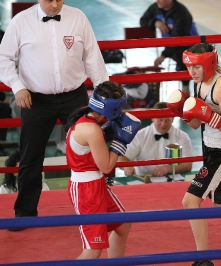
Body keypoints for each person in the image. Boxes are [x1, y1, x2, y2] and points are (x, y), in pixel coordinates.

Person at [0, 0, 109, 224]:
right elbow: (3, 58)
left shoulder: (78, 17)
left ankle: (97, 207)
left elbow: (92, 56)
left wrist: (105, 93)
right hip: (35, 99)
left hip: (74, 96)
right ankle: (25, 214)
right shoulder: (21, 21)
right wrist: (17, 86)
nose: (55, 4)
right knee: (30, 157)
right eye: (50, 0)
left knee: (89, 151)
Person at [167, 42, 221, 266]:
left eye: (196, 67)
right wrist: (184, 112)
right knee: (220, 199)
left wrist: (208, 115)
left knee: (190, 201)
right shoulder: (199, 82)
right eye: (189, 67)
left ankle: (202, 259)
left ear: (209, 64)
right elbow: (196, 125)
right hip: (209, 145)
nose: (191, 72)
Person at [65, 81, 140, 259]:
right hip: (87, 191)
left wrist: (110, 131)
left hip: (95, 184)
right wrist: (121, 141)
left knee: (123, 226)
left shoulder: (85, 119)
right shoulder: (91, 129)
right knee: (93, 250)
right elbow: (106, 166)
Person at [119, 101, 192, 178]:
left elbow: (187, 165)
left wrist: (169, 168)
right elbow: (121, 157)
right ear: (153, 118)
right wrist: (126, 167)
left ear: (173, 119)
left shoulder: (183, 137)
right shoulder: (140, 136)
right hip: (144, 180)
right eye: (160, 120)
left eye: (167, 120)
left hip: (173, 180)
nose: (163, 124)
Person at [140, 0, 199, 93]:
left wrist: (163, 55)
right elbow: (143, 20)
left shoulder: (182, 13)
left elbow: (178, 39)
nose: (157, 0)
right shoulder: (155, 7)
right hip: (171, 45)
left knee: (183, 59)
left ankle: (186, 87)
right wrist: (155, 22)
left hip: (189, 46)